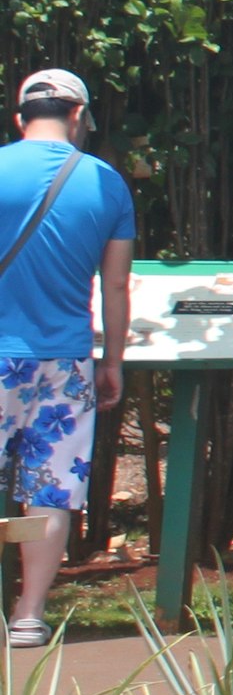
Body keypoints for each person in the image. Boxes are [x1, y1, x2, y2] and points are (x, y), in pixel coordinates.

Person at [0, 71, 130, 650]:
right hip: (66, 358)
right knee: (49, 486)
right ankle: (28, 613)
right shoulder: (105, 182)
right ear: (78, 115)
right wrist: (113, 361)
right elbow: (118, 285)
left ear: (20, 116)